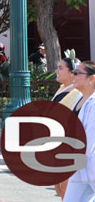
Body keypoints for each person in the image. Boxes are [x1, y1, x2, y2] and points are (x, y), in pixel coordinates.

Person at [64, 61, 95, 201]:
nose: (73, 76)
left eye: (77, 73)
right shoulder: (79, 98)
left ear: (92, 78)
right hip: (80, 166)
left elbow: (90, 138)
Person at [52, 57, 82, 200]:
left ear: (72, 73)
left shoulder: (78, 94)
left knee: (66, 190)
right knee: (59, 189)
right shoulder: (63, 90)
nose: (56, 71)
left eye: (61, 68)